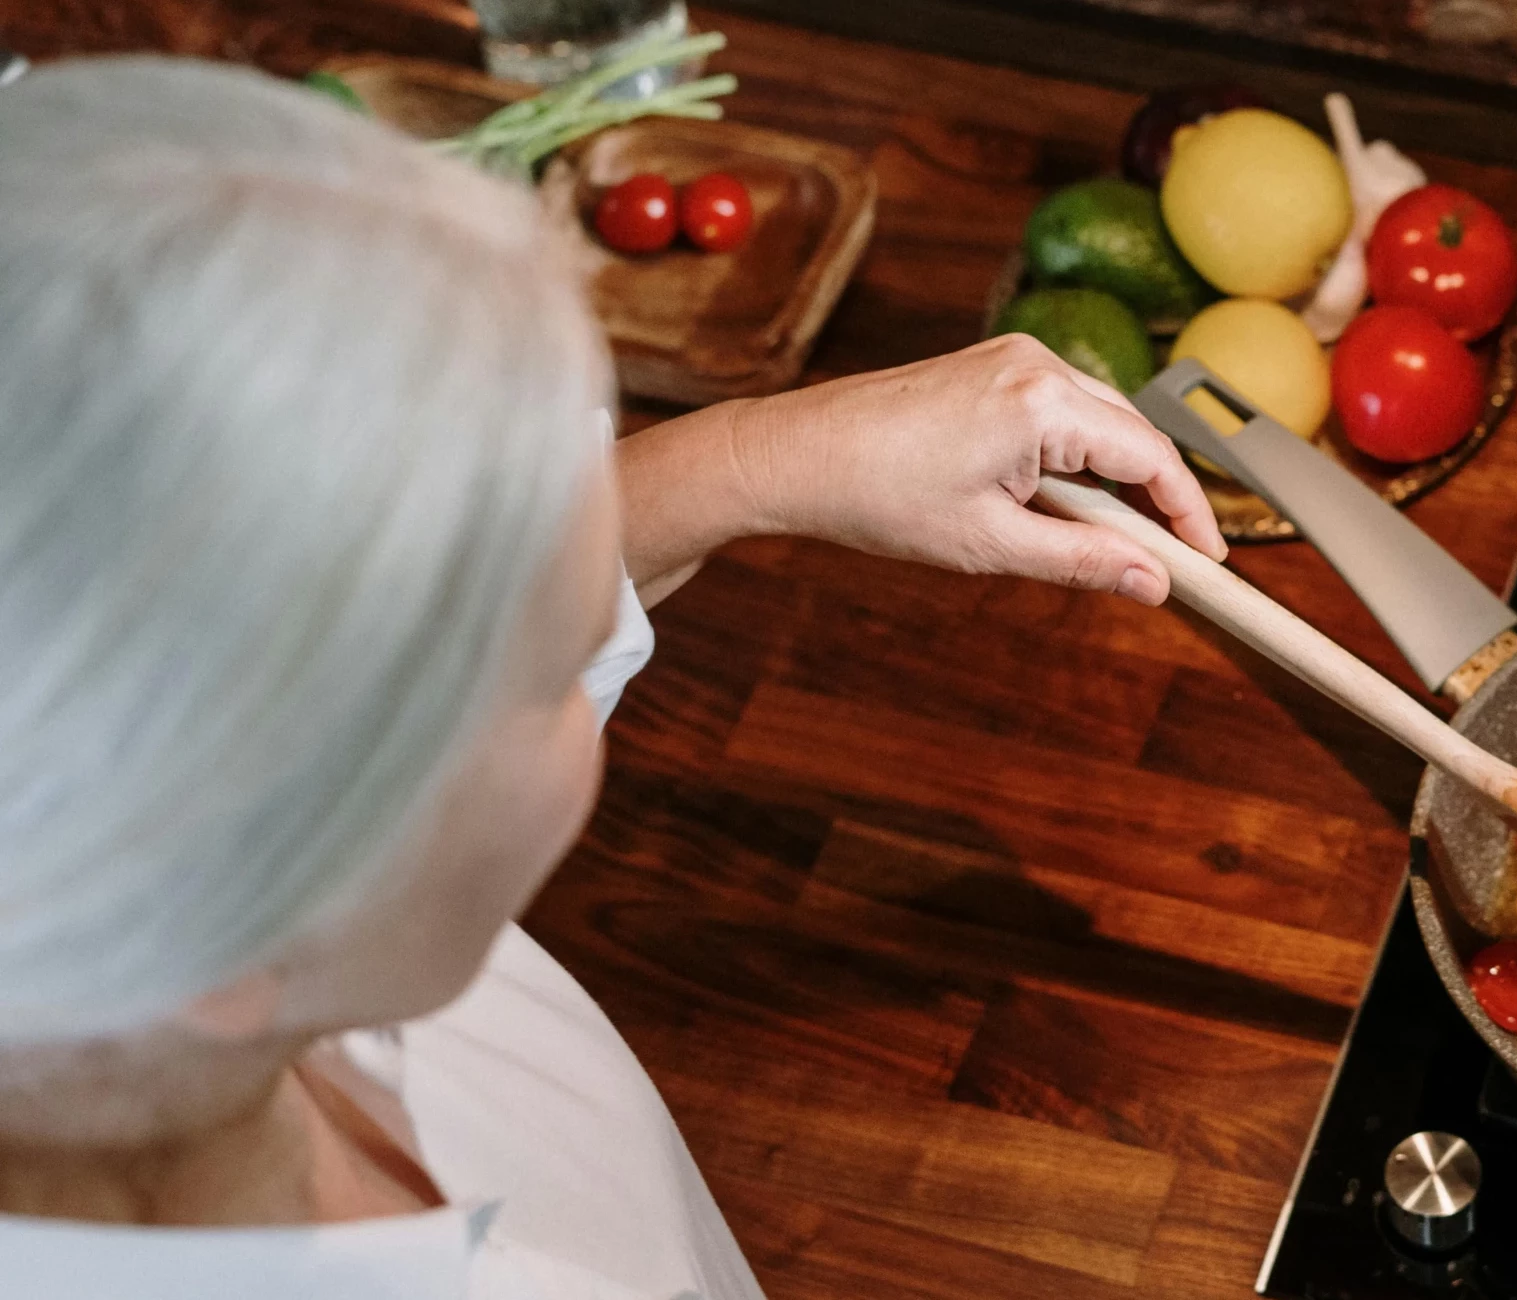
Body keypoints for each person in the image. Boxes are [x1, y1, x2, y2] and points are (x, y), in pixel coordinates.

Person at [0, 55, 1222, 1299]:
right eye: (532, 671)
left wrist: (764, 456)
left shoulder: (168, 937)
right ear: (222, 914)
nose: (589, 594)